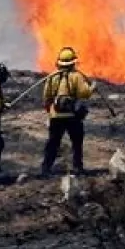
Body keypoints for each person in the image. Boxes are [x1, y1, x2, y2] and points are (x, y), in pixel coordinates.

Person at [40, 47, 94, 176]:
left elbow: (46, 96)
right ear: (73, 62)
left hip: (56, 116)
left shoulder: (52, 77)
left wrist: (50, 111)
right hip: (72, 116)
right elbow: (84, 93)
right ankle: (77, 167)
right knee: (76, 142)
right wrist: (92, 88)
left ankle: (46, 168)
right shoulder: (76, 76)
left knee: (53, 142)